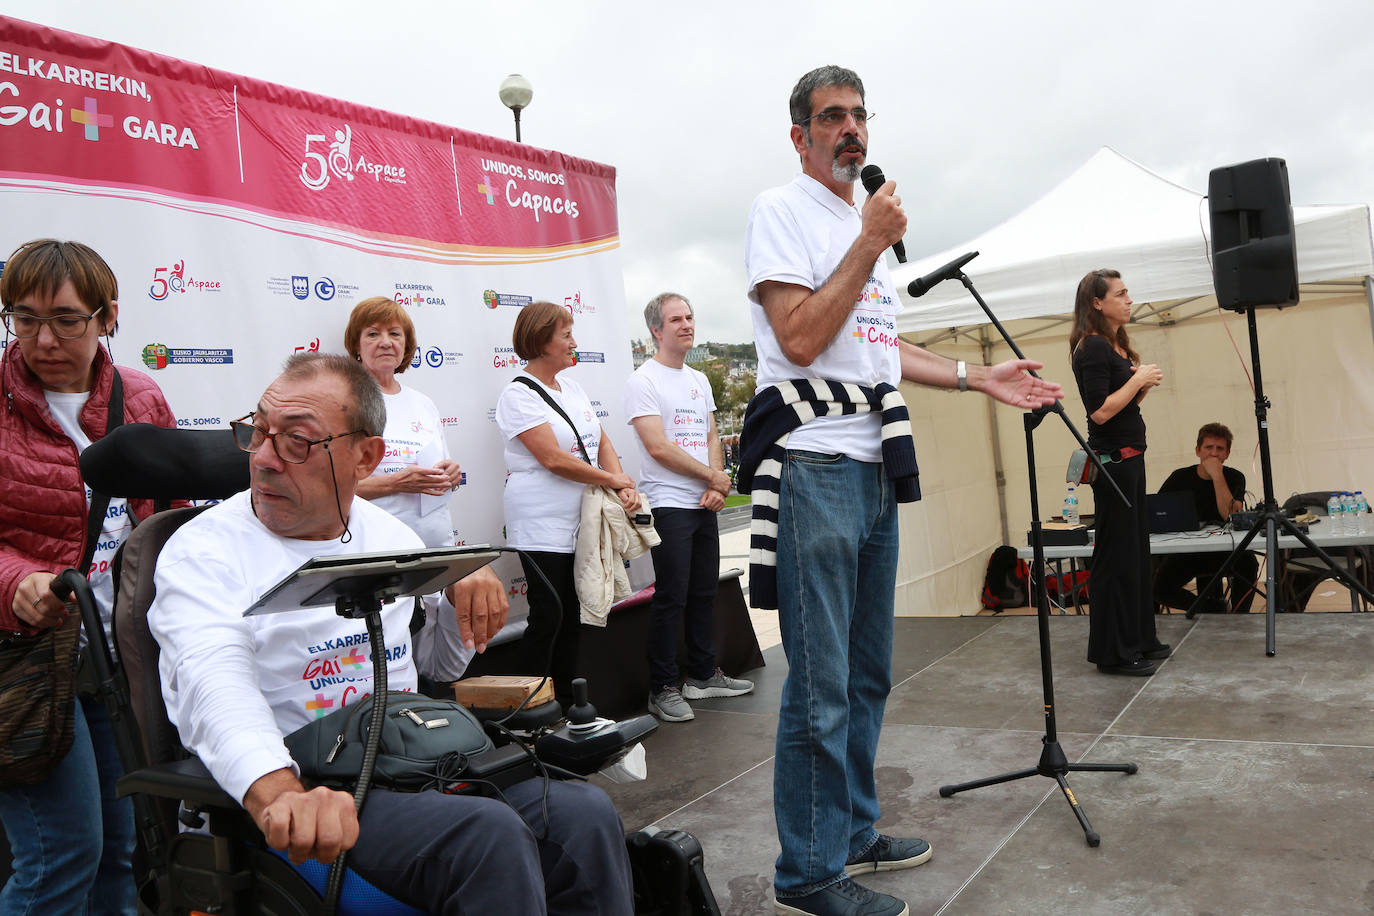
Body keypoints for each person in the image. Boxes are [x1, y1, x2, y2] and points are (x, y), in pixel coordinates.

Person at [742, 66, 1063, 916]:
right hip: (813, 466)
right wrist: (870, 244)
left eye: (857, 116)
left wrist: (975, 377)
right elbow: (803, 337)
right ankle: (806, 876)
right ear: (800, 135)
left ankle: (849, 835)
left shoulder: (859, 221)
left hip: (873, 466)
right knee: (820, 686)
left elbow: (881, 351)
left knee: (869, 675)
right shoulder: (784, 213)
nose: (850, 130)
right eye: (831, 117)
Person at [148, 353, 632, 915]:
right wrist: (278, 790)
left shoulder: (387, 533)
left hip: (407, 761)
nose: (263, 459)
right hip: (311, 783)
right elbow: (212, 685)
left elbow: (437, 669)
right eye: (258, 432)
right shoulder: (204, 548)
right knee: (484, 836)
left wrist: (456, 598)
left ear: (366, 455)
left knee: (584, 815)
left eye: (296, 441)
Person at [0, 238, 177, 916]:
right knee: (59, 857)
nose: (43, 339)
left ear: (107, 317)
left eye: (67, 319)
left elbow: (170, 517)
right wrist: (14, 579)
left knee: (120, 855)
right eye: (24, 318)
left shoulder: (142, 394)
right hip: (23, 661)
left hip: (115, 657)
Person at [343, 296, 507, 684]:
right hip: (378, 556)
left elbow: (443, 468)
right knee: (394, 662)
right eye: (373, 333)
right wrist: (397, 483)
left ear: (406, 345)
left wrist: (450, 472)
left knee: (442, 661)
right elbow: (335, 488)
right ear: (356, 345)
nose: (385, 341)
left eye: (394, 334)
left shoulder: (422, 403)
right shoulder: (346, 403)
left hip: (434, 546)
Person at [494, 301, 640, 708]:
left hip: (582, 519)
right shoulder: (516, 394)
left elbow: (602, 441)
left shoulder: (572, 388)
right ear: (541, 341)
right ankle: (527, 712)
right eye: (566, 334)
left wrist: (619, 484)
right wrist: (612, 480)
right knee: (549, 616)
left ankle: (567, 709)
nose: (574, 342)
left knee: (574, 615)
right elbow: (552, 459)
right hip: (540, 524)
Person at [624, 292, 752, 723]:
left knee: (703, 592)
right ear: (656, 330)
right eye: (675, 319)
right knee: (671, 597)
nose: (686, 324)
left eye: (690, 316)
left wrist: (717, 484)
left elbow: (712, 436)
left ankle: (701, 675)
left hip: (703, 501)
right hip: (669, 504)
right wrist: (711, 477)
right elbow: (658, 447)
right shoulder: (644, 381)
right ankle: (663, 687)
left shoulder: (699, 379)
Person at [1069, 269, 1169, 675]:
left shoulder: (1113, 344)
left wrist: (1140, 385)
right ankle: (1115, 652)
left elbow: (1123, 404)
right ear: (1097, 303)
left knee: (1136, 554)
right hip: (1114, 464)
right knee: (1117, 558)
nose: (1129, 300)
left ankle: (1140, 638)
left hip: (1131, 459)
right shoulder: (1091, 347)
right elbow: (1100, 411)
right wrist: (1138, 379)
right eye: (1121, 294)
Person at [1154, 422, 1258, 613]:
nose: (1214, 453)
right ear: (1198, 451)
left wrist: (1217, 476)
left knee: (1249, 564)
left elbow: (1230, 515)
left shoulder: (1234, 477)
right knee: (1159, 588)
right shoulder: (1180, 477)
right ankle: (1211, 608)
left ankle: (1240, 617)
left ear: (1227, 454)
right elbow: (1157, 511)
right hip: (1187, 551)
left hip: (1226, 550)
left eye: (1220, 449)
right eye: (1208, 447)